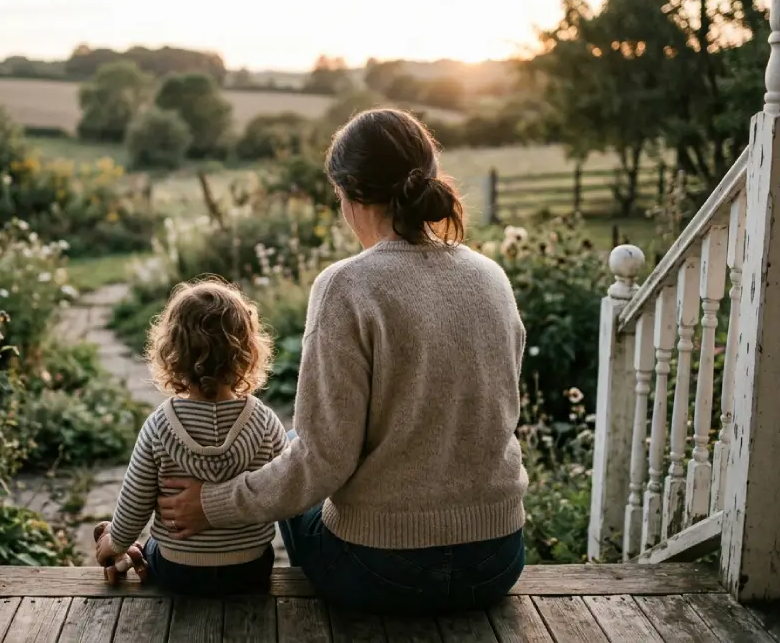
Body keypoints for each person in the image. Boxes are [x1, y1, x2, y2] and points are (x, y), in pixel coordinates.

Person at [155, 109, 529, 615]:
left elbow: (320, 462)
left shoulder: (346, 286)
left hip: (381, 572)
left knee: (283, 451)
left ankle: (200, 557)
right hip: (497, 561)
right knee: (290, 455)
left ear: (349, 193)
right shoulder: (491, 276)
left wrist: (211, 505)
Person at [94, 279, 287, 597]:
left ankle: (133, 558)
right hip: (250, 569)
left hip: (178, 572)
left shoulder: (160, 425)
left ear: (171, 351)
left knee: (151, 545)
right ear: (248, 350)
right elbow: (287, 482)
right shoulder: (263, 420)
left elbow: (134, 503)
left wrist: (112, 543)